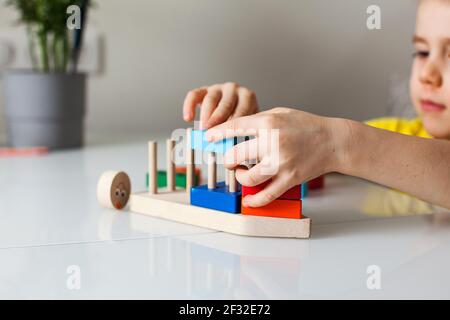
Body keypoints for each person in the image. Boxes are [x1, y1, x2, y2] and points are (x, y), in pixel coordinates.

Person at [182, 0, 450, 210]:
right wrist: (255, 135)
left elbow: (342, 146)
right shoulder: (394, 134)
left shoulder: (366, 143)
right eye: (423, 52)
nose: (428, 74)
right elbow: (310, 153)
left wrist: (341, 143)